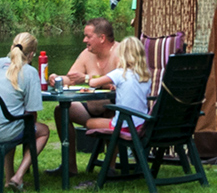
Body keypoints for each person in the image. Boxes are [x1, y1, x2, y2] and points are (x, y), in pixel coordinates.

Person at [0, 31, 49, 192]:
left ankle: (9, 179)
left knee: (12, 121)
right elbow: (31, 114)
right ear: (31, 55)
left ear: (11, 47)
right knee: (42, 131)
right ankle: (18, 176)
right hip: (0, 132)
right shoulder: (29, 72)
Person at [64, 16, 124, 165]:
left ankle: (109, 168)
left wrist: (86, 78)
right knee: (62, 111)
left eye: (88, 36)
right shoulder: (87, 54)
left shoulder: (120, 52)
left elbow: (120, 82)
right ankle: (69, 166)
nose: (84, 40)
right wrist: (56, 79)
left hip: (116, 110)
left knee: (111, 111)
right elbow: (71, 78)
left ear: (102, 38)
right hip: (92, 108)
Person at [81, 36, 154, 144]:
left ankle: (109, 157)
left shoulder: (119, 73)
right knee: (110, 116)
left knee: (89, 122)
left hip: (125, 126)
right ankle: (113, 156)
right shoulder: (146, 76)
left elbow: (93, 83)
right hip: (141, 125)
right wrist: (116, 87)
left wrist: (88, 77)